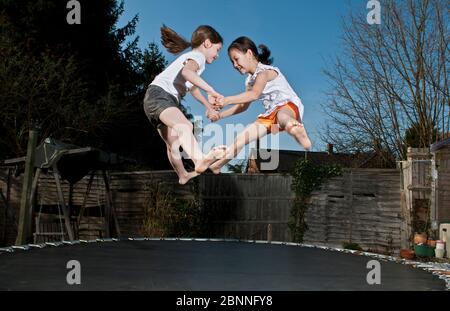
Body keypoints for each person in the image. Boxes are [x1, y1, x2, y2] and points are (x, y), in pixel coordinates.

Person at [208, 36, 312, 174]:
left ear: (249, 53)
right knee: (241, 138)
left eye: (236, 59)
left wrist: (226, 100)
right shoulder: (249, 81)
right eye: (232, 61)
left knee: (282, 116)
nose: (234, 65)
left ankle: (296, 129)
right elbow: (243, 106)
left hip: (288, 106)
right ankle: (217, 165)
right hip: (270, 117)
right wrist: (220, 115)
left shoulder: (265, 72)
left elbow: (255, 94)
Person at [143, 25, 225, 184]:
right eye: (217, 49)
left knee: (173, 143)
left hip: (154, 100)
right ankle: (199, 159)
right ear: (207, 44)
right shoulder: (198, 57)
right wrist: (211, 90)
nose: (217, 55)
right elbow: (187, 73)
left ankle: (182, 175)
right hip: (160, 96)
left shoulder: (191, 59)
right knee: (185, 126)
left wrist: (208, 106)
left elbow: (193, 89)